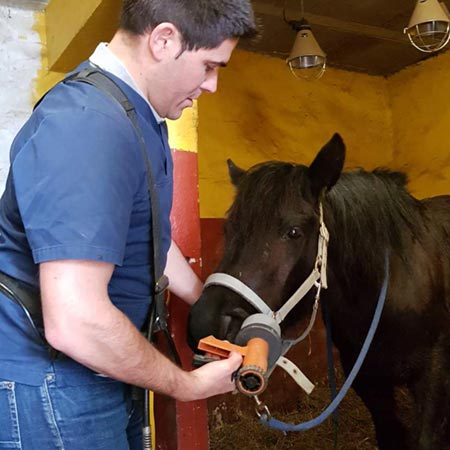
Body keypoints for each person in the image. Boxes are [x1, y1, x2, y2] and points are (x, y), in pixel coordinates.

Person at [0, 1, 257, 449]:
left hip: (99, 369)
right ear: (163, 40)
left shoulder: (135, 114)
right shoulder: (87, 124)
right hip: (54, 385)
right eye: (209, 66)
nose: (212, 85)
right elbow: (75, 320)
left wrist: (207, 303)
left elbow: (149, 238)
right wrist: (188, 385)